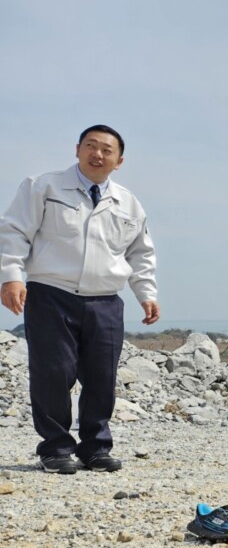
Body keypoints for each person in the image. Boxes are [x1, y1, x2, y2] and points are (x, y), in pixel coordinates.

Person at [0, 125, 158, 474]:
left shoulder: (128, 203)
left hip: (105, 301)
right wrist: (11, 276)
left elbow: (140, 253)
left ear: (119, 161)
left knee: (102, 377)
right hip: (51, 295)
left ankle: (95, 448)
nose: (97, 154)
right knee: (54, 373)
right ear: (77, 149)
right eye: (90, 146)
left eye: (106, 150)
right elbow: (14, 231)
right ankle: (56, 449)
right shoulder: (44, 186)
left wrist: (146, 293)